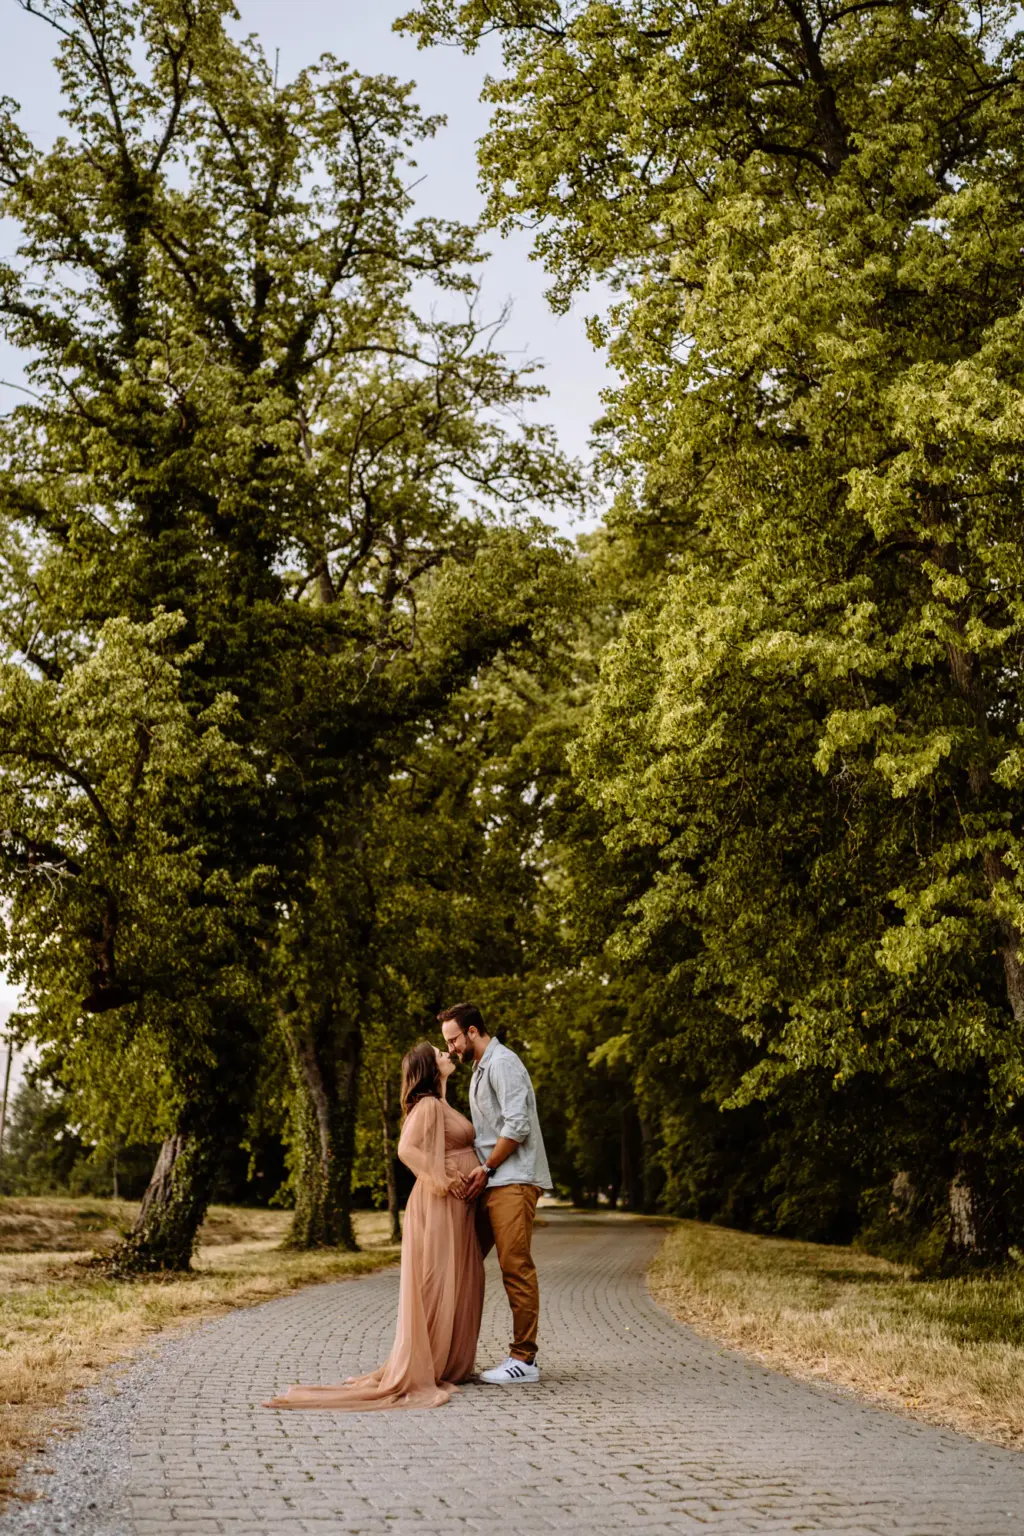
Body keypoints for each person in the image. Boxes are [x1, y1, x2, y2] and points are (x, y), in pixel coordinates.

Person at [262, 1041, 483, 1411]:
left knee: (458, 1278)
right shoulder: (428, 1104)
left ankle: (447, 1361)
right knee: (439, 1279)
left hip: (455, 1204)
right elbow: (406, 1150)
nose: (446, 1053)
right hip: (440, 1202)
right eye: (438, 1053)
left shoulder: (439, 1102)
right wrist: (444, 1177)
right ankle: (429, 1363)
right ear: (429, 1067)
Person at [440, 1002, 552, 1384]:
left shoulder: (503, 1063)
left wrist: (486, 1168)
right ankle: (451, 1351)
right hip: (492, 1181)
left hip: (512, 1180)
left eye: (453, 1039)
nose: (451, 1047)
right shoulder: (480, 1068)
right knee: (465, 1259)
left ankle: (524, 1360)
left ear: (472, 1031)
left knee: (515, 1267)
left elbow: (517, 1126)